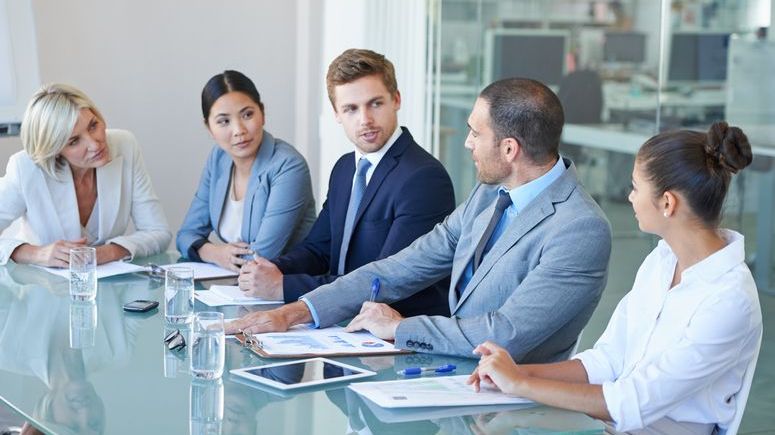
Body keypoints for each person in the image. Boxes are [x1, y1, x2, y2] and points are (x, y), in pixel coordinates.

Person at [227, 77, 612, 363]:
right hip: (454, 378)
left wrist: (398, 329)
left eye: (475, 133)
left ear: (509, 149)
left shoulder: (579, 228)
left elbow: (504, 334)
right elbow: (401, 267)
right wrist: (294, 312)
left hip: (513, 405)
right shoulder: (490, 193)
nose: (467, 143)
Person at [467, 122, 763, 434]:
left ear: (667, 203)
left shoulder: (730, 300)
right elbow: (607, 361)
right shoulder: (661, 262)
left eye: (635, 187)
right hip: (609, 426)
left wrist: (520, 383)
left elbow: (632, 402)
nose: (629, 196)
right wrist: (515, 373)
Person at [236, 49, 455, 317]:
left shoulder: (423, 178)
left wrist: (283, 286)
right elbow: (319, 249)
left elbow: (384, 284)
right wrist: (273, 268)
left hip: (393, 336)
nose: (365, 120)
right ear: (337, 113)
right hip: (344, 325)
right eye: (351, 108)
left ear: (396, 99)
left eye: (375, 103)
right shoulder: (344, 168)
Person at [0, 84, 171, 267]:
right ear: (55, 150)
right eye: (74, 141)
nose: (95, 144)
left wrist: (108, 252)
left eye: (93, 125)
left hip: (107, 287)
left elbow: (158, 231)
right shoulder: (25, 168)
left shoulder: (125, 146)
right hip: (41, 288)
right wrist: (36, 254)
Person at [176, 70, 316, 272]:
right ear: (209, 128)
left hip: (286, 289)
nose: (239, 130)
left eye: (247, 114)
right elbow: (186, 236)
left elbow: (261, 257)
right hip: (233, 287)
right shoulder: (218, 159)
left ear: (263, 114)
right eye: (224, 121)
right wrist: (217, 253)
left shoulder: (288, 166)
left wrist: (215, 253)